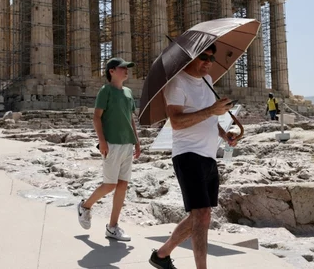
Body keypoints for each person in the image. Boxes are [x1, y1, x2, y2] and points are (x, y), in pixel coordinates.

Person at [149, 44, 237, 269]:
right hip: (187, 154)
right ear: (188, 59)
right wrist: (211, 111)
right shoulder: (176, 83)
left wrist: (224, 134)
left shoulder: (207, 82)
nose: (208, 62)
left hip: (208, 155)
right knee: (201, 215)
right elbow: (176, 122)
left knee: (202, 216)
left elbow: (210, 118)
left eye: (211, 58)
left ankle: (161, 255)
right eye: (203, 57)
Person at [76, 58, 141, 242]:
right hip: (111, 143)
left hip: (127, 143)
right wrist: (102, 141)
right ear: (112, 71)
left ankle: (112, 227)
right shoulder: (105, 91)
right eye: (123, 68)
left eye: (127, 68)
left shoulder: (128, 92)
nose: (126, 71)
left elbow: (130, 118)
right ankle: (85, 206)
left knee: (122, 185)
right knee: (110, 184)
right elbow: (96, 118)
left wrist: (137, 142)